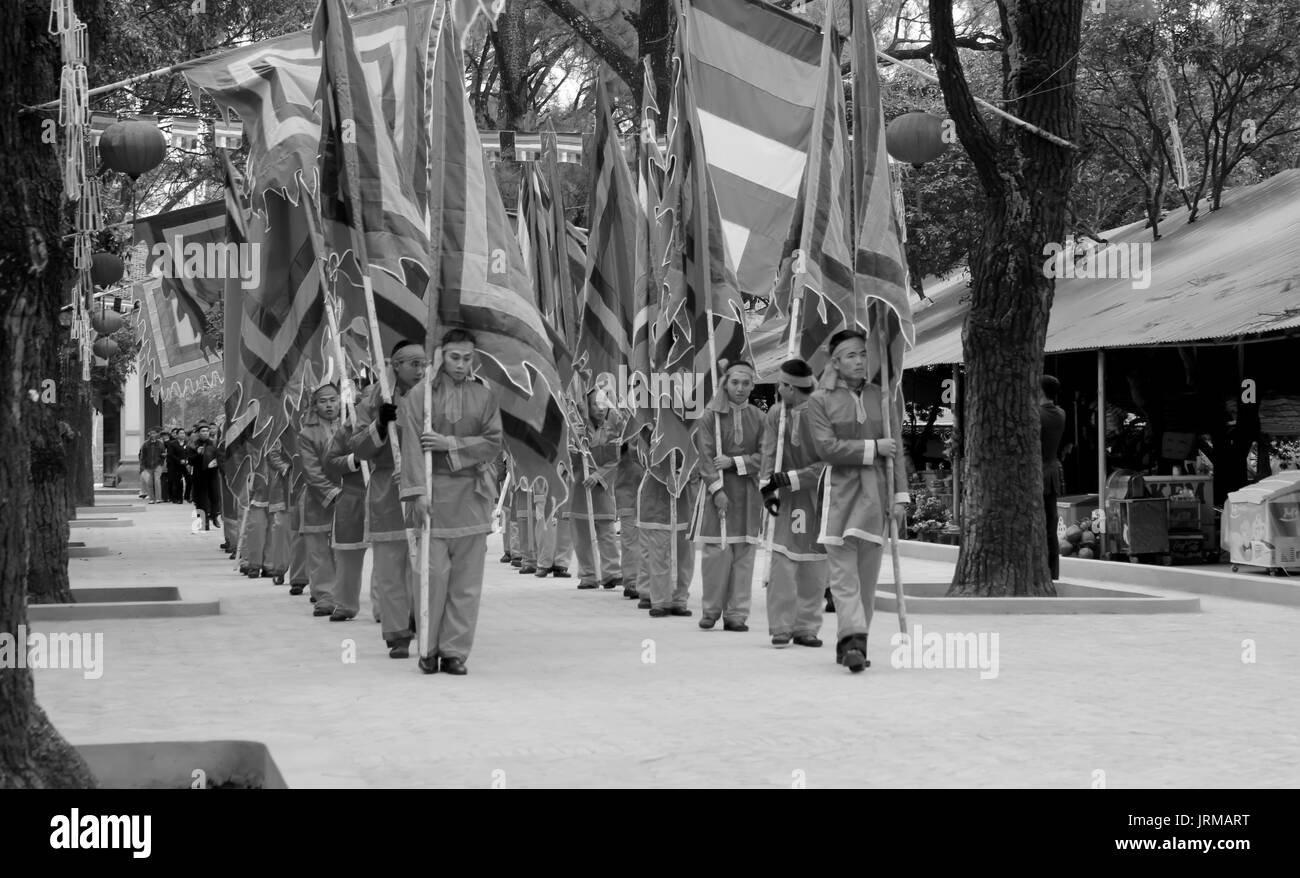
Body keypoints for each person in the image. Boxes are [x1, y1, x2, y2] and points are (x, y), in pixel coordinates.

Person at [399, 328, 503, 676]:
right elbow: (411, 445)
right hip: (432, 495)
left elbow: (493, 442)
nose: (461, 364)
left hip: (473, 496)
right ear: (441, 355)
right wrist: (417, 493)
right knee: (431, 576)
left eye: (467, 357)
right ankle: (427, 647)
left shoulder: (483, 395)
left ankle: (455, 651)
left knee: (466, 581)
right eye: (454, 356)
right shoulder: (420, 395)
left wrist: (450, 444)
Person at [805, 330, 909, 673]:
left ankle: (852, 639)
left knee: (866, 579)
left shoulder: (883, 396)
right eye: (851, 355)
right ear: (834, 361)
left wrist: (900, 497)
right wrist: (872, 449)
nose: (860, 361)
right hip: (839, 495)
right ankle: (853, 644)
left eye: (864, 354)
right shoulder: (819, 400)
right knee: (843, 576)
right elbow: (826, 448)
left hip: (876, 496)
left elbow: (897, 451)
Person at [350, 341, 425, 656]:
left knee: (425, 567)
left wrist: (415, 470)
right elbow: (357, 446)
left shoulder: (437, 397)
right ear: (395, 365)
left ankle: (423, 620)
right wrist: (379, 424)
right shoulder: (374, 398)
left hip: (425, 490)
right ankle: (397, 634)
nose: (421, 371)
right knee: (391, 567)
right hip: (387, 491)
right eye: (413, 364)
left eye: (424, 364)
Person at [691, 360, 764, 631]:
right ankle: (710, 610)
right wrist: (716, 489)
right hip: (717, 495)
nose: (740, 388)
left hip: (747, 495)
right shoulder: (710, 416)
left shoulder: (759, 417)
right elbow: (705, 457)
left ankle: (736, 614)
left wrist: (735, 463)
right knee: (716, 555)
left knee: (744, 558)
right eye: (735, 382)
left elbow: (765, 456)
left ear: (753, 385)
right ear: (725, 383)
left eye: (746, 383)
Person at [759, 359, 827, 648]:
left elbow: (828, 461)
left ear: (791, 387)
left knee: (815, 563)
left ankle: (807, 627)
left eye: (781, 384)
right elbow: (768, 452)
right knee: (782, 562)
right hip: (785, 500)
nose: (777, 388)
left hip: (819, 496)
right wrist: (767, 488)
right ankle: (781, 627)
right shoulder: (776, 413)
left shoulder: (823, 413)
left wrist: (789, 479)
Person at [297, 384, 344, 617]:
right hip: (319, 498)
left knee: (343, 549)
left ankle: (343, 594)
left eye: (333, 400)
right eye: (323, 401)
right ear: (315, 405)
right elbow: (311, 471)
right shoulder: (307, 434)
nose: (329, 405)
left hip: (349, 496)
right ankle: (325, 595)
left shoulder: (351, 426)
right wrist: (332, 493)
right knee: (319, 551)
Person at [570, 385, 622, 590]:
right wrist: (574, 448)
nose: (600, 409)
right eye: (595, 404)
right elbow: (568, 460)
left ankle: (611, 573)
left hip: (602, 489)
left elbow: (616, 460)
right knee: (582, 535)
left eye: (604, 403)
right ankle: (589, 574)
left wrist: (599, 475)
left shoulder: (613, 429)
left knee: (607, 532)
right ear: (587, 406)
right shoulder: (576, 429)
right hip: (580, 488)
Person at [1040, 374, 1067, 581]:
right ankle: (1053, 572)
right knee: (1050, 523)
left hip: (1038, 472)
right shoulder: (1061, 413)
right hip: (1053, 472)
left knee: (1041, 524)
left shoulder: (1036, 414)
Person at [187, 424, 222, 530]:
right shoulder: (193, 445)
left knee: (215, 497)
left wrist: (217, 462)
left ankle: (214, 516)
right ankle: (203, 522)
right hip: (199, 476)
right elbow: (190, 460)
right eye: (202, 431)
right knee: (200, 500)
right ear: (198, 433)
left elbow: (220, 456)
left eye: (207, 431)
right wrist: (198, 454)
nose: (205, 433)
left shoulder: (214, 444)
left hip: (212, 474)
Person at [138, 428, 166, 504]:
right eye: (151, 434)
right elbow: (142, 456)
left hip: (157, 465)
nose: (153, 435)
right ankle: (151, 498)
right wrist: (142, 466)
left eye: (154, 434)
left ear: (156, 435)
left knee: (157, 481)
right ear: (149, 435)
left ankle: (158, 498)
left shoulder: (160, 443)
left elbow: (163, 454)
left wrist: (161, 462)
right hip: (147, 465)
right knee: (149, 482)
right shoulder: (145, 444)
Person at [165, 428, 186, 503]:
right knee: (177, 482)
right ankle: (177, 498)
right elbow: (171, 454)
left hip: (186, 465)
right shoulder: (172, 443)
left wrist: (186, 461)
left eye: (183, 433)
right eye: (180, 433)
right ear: (177, 435)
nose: (182, 435)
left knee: (188, 481)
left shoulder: (187, 443)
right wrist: (179, 460)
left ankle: (186, 496)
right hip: (175, 465)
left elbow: (189, 453)